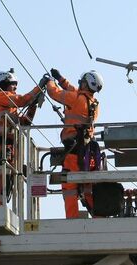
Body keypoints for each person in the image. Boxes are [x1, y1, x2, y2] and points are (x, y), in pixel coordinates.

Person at [44, 68, 103, 218]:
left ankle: (72, 218)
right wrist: (61, 79)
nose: (80, 84)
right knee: (88, 185)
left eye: (82, 82)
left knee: (69, 185)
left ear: (86, 84)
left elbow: (54, 93)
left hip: (74, 151)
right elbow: (74, 91)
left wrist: (49, 81)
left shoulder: (76, 99)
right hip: (87, 150)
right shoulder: (93, 103)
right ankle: (99, 217)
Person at [0, 69, 49, 206]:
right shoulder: (1, 96)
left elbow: (25, 122)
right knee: (0, 182)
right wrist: (38, 88)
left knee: (7, 182)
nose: (15, 87)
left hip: (9, 147)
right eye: (13, 84)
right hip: (1, 146)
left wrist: (33, 106)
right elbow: (22, 100)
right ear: (3, 84)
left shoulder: (9, 107)